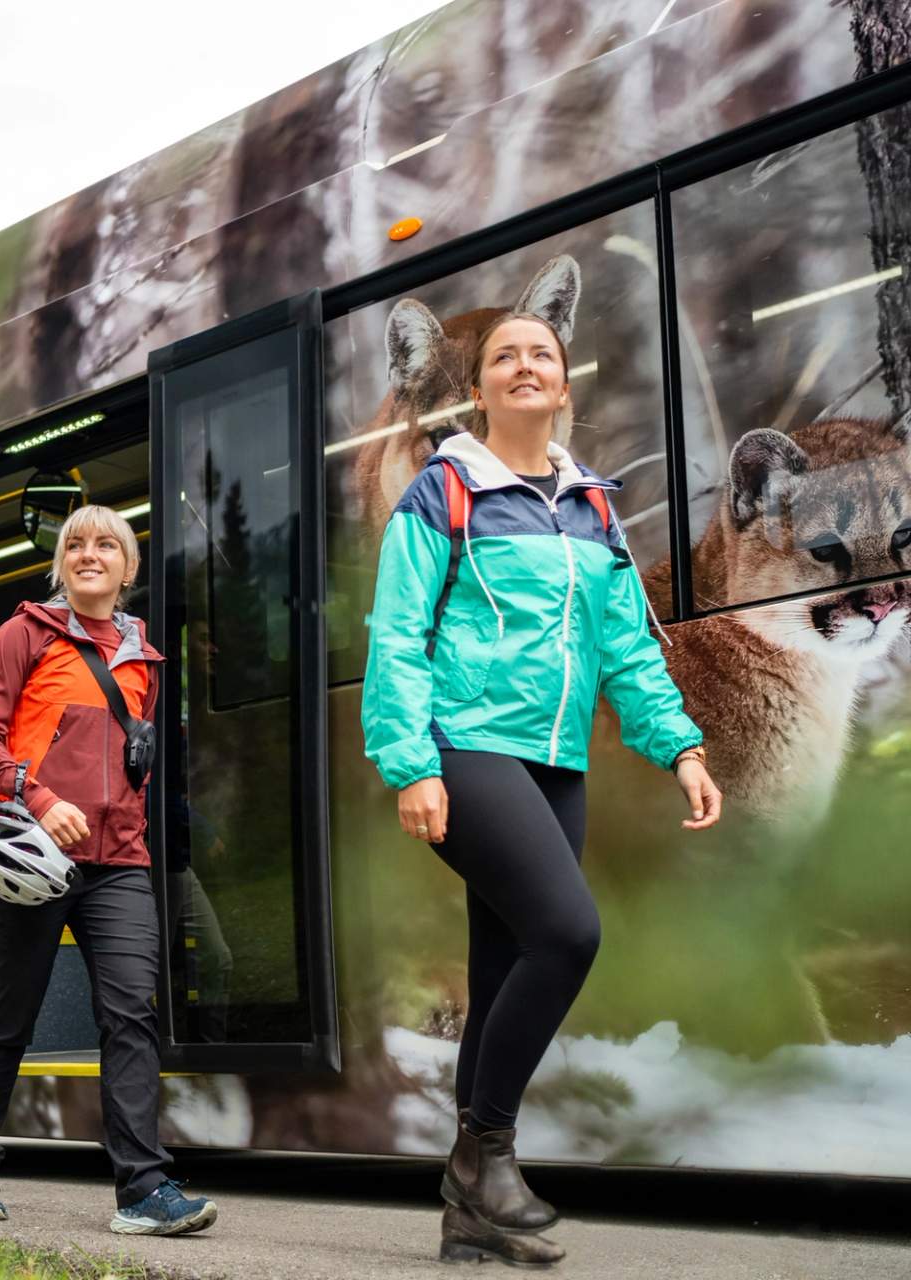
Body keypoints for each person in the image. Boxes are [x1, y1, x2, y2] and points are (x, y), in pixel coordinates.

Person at [361, 312, 723, 1268]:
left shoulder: (593, 506)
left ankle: (467, 1222)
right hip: (467, 745)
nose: (526, 366)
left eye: (543, 356)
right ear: (478, 390)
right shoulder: (445, 491)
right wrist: (413, 763)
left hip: (556, 760)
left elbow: (628, 651)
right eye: (504, 357)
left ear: (565, 387)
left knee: (498, 974)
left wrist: (679, 747)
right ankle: (487, 1154)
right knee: (568, 933)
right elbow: (396, 636)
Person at [0, 504, 218, 1237]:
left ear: (128, 569)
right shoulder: (24, 633)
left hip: (120, 862)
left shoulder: (145, 656)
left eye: (107, 544)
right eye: (76, 543)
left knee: (131, 1013)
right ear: (61, 563)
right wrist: (36, 795)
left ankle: (142, 1189)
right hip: (34, 858)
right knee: (9, 1018)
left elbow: (135, 764)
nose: (90, 552)